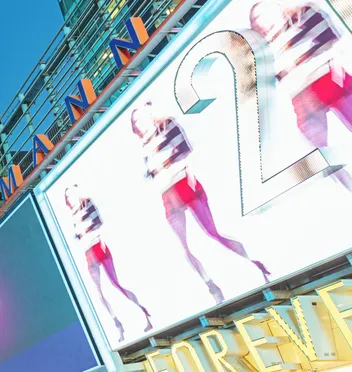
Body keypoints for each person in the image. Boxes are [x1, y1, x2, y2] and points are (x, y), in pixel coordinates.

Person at [130, 102, 271, 304]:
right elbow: (153, 174)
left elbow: (186, 152)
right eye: (135, 121)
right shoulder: (144, 148)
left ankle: (254, 264)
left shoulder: (167, 125)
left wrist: (188, 176)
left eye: (141, 117)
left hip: (184, 184)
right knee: (184, 247)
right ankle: (212, 287)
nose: (138, 123)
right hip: (167, 194)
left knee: (212, 233)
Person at [249, 0, 352, 191]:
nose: (257, 23)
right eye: (253, 21)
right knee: (323, 153)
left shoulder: (303, 15)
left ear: (277, 9)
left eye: (259, 17)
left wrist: (305, 62)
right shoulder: (264, 52)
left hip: (329, 78)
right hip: (303, 98)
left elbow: (334, 38)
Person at [64, 185, 153, 341]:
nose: (69, 199)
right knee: (99, 293)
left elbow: (99, 223)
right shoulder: (73, 215)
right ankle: (118, 325)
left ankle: (144, 314)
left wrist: (92, 235)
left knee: (115, 284)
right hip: (88, 252)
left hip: (98, 245)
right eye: (67, 197)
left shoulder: (86, 202)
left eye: (70, 194)